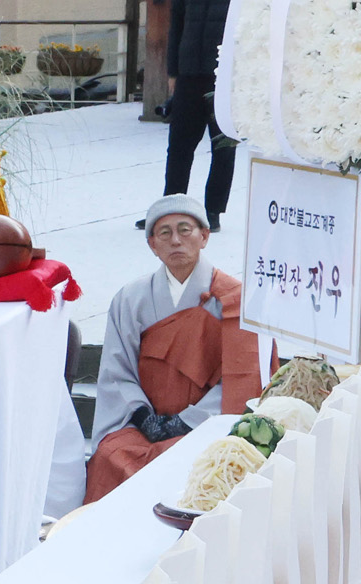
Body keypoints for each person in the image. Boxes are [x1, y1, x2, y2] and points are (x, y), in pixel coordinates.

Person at [86, 193, 263, 501]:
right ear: (152, 245)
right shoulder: (131, 298)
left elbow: (242, 379)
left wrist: (187, 421)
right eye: (164, 233)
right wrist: (143, 417)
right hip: (143, 424)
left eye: (185, 230)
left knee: (201, 462)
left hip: (206, 424)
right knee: (112, 456)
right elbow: (117, 372)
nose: (176, 241)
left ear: (204, 236)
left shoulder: (235, 300)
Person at [153, 0, 242, 233]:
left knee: (223, 147)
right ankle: (170, 209)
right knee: (179, 146)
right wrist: (173, 73)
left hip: (225, 78)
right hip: (189, 74)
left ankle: (213, 211)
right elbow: (176, 25)